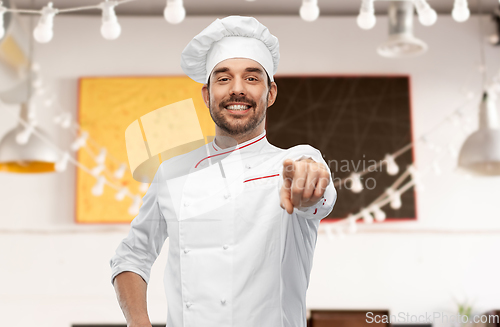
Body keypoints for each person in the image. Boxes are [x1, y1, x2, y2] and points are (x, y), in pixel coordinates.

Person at [110, 15, 337, 327]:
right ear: (207, 95)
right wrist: (138, 323)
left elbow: (314, 186)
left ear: (270, 94)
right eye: (223, 78)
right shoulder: (172, 172)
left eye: (252, 78)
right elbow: (131, 256)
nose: (237, 90)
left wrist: (312, 182)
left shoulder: (293, 161)